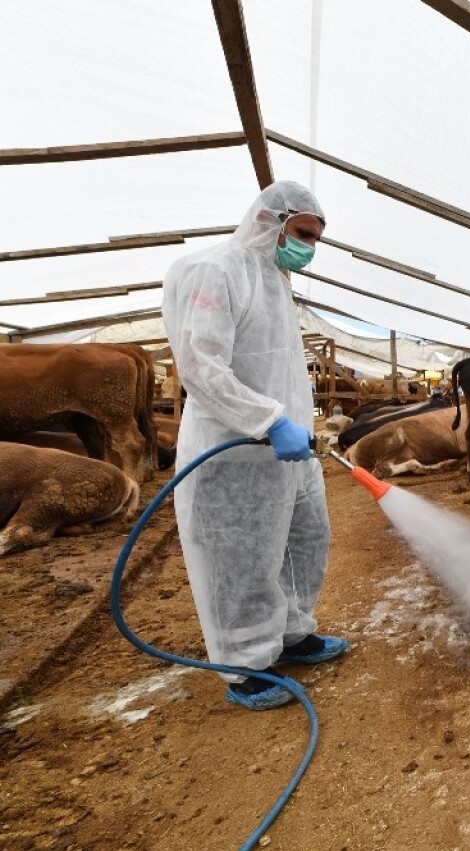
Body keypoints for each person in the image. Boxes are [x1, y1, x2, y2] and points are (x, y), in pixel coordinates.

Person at [162, 180, 349, 711]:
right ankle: (245, 663)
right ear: (272, 220)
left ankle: (291, 632)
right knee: (240, 554)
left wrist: (290, 424)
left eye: (316, 239)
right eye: (303, 234)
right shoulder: (217, 270)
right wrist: (267, 420)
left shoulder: (276, 280)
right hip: (234, 450)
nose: (309, 247)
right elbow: (200, 365)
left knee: (304, 539)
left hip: (287, 447)